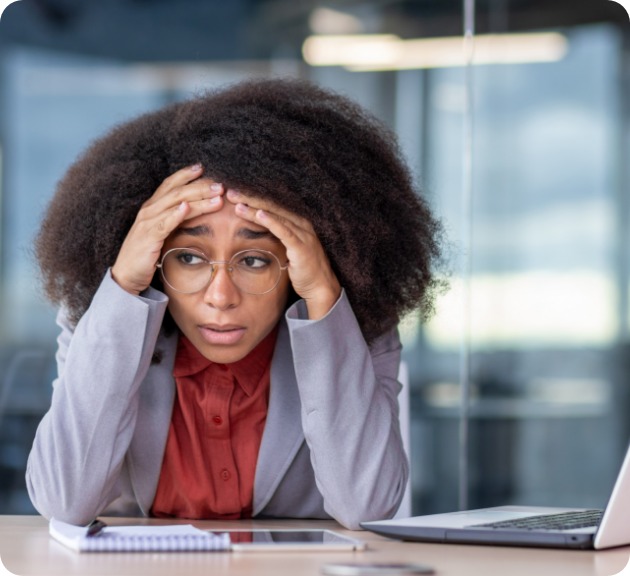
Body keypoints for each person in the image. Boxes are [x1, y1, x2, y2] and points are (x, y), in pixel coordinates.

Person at [26, 78, 443, 530]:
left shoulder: (355, 330)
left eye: (255, 260)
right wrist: (124, 284)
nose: (220, 296)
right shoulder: (102, 322)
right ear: (155, 264)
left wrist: (323, 296)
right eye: (188, 257)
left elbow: (367, 507)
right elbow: (62, 501)